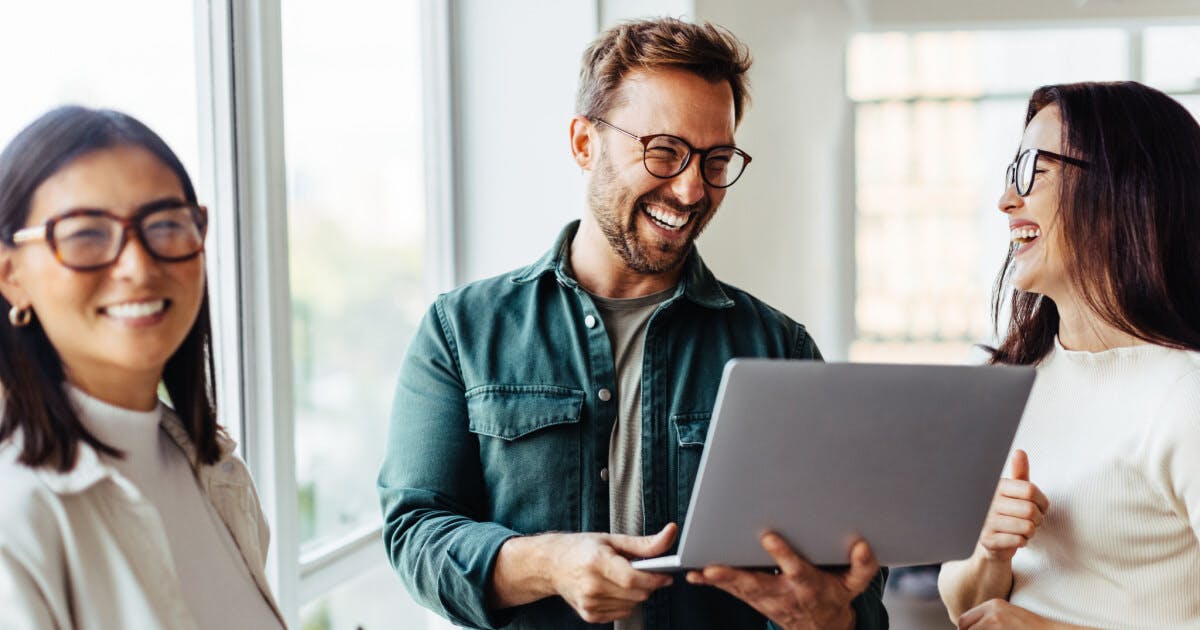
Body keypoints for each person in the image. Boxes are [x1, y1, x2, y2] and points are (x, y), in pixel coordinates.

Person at [378, 17, 888, 630]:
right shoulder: (461, 331)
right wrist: (548, 564)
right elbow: (416, 529)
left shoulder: (779, 347)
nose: (692, 188)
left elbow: (850, 576)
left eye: (716, 159)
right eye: (664, 151)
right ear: (584, 144)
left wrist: (836, 618)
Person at [0, 106, 284, 629]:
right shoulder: (16, 517)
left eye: (166, 225)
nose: (137, 266)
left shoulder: (217, 473)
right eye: (86, 234)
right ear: (11, 275)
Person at [937, 81, 1200, 628]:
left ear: (1125, 187)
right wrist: (989, 551)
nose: (1007, 200)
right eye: (1013, 172)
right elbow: (964, 605)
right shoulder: (1003, 383)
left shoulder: (1185, 394)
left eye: (1035, 168)